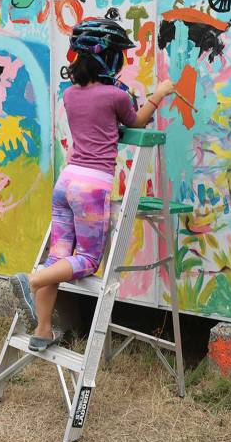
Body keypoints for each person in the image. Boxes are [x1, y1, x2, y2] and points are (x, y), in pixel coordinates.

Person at [10, 19, 176, 352]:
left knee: (58, 256)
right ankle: (30, 281)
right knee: (86, 260)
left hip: (66, 182)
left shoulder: (70, 94)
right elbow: (136, 121)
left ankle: (43, 329)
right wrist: (158, 95)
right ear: (109, 59)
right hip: (91, 186)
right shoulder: (114, 95)